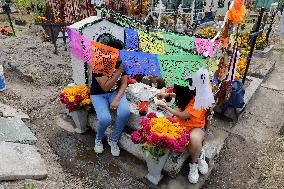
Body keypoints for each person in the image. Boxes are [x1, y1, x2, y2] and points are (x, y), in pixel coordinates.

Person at [157, 84, 208, 184]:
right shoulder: (189, 91)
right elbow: (181, 94)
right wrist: (166, 95)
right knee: (171, 140)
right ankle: (198, 151)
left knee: (194, 139)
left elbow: (184, 115)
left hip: (196, 126)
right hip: (181, 123)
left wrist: (166, 107)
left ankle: (194, 162)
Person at [90, 34, 130, 157]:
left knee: (124, 112)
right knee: (105, 119)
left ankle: (113, 139)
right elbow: (105, 87)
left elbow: (124, 82)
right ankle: (98, 139)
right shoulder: (98, 64)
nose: (120, 56)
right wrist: (118, 71)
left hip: (114, 93)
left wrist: (117, 98)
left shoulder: (121, 62)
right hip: (99, 94)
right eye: (117, 53)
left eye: (121, 52)